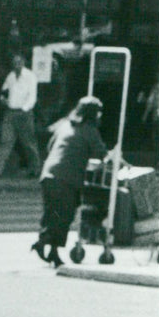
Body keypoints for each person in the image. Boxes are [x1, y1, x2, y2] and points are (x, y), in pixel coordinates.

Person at [31, 94, 106, 268]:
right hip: (66, 178)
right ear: (92, 114)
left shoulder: (64, 124)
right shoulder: (89, 130)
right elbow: (101, 153)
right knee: (64, 215)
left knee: (53, 213)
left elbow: (50, 146)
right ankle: (45, 244)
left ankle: (52, 251)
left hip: (49, 174)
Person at [0, 52, 40, 177]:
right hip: (10, 112)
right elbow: (4, 89)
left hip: (24, 112)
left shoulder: (30, 76)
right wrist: (3, 99)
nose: (17, 65)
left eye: (19, 62)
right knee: (5, 141)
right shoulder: (11, 76)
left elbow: (32, 96)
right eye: (15, 63)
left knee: (28, 143)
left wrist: (24, 109)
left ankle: (35, 169)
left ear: (23, 63)